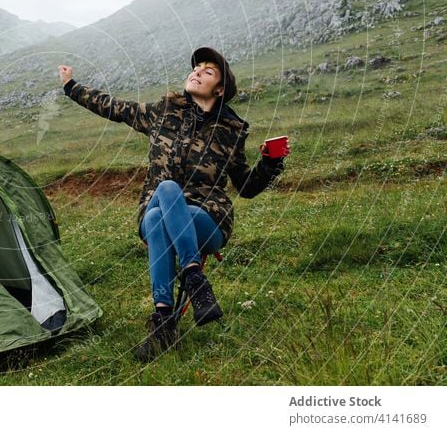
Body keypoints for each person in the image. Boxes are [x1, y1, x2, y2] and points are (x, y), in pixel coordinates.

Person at [58, 47, 288, 362]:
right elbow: (115, 107)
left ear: (220, 89)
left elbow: (246, 187)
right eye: (196, 68)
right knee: (160, 207)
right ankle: (181, 299)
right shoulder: (163, 110)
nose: (197, 72)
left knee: (162, 202)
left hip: (207, 218)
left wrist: (269, 164)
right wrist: (72, 87)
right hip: (157, 211)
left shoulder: (232, 130)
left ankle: (172, 304)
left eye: (208, 71)